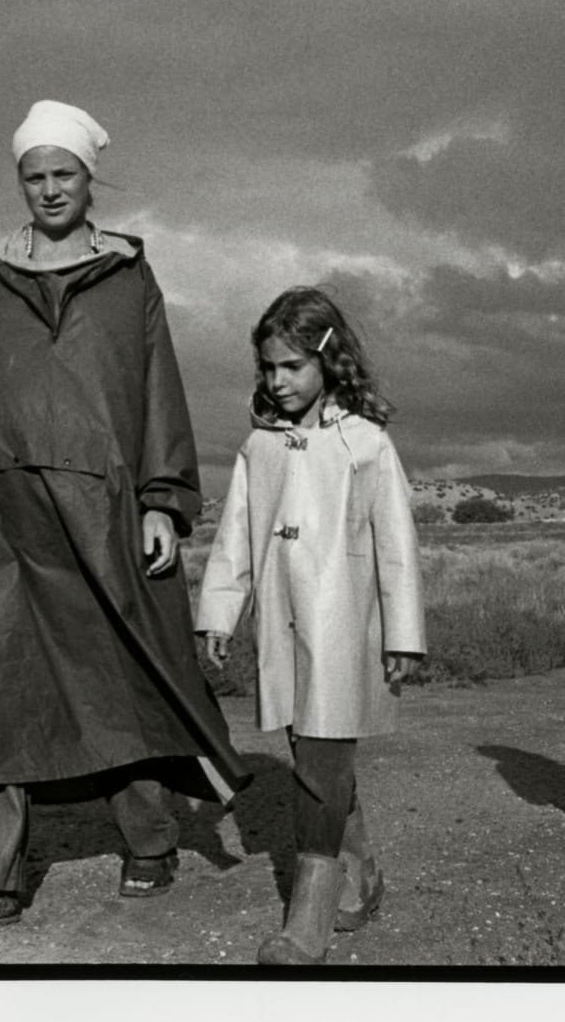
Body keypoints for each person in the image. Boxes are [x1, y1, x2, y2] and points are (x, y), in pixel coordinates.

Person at [0, 99, 250, 941]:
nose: (50, 189)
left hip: (104, 511)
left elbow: (158, 388)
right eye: (34, 177)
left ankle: (150, 839)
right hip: (4, 515)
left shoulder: (128, 276)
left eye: (63, 173)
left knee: (117, 675)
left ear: (88, 177)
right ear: (20, 182)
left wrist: (162, 500)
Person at [196, 286, 425, 966]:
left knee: (321, 767)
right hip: (283, 626)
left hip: (345, 629)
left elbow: (397, 544)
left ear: (329, 359)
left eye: (292, 366)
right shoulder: (258, 448)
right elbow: (235, 535)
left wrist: (403, 634)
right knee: (313, 757)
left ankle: (310, 921)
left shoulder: (367, 444)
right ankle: (363, 873)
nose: (278, 381)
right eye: (268, 367)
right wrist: (219, 611)